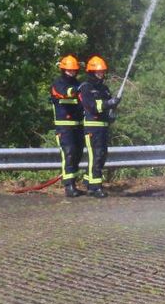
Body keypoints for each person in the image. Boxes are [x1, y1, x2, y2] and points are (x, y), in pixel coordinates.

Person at [77, 55, 120, 198]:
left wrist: (111, 113)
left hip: (103, 126)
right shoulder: (85, 88)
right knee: (95, 156)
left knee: (101, 156)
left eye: (102, 72)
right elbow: (92, 106)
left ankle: (89, 183)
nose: (101, 75)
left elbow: (107, 106)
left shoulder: (105, 89)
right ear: (91, 72)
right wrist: (109, 103)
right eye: (98, 72)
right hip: (91, 127)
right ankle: (95, 187)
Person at [50, 54, 85, 198]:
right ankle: (69, 185)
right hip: (64, 126)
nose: (71, 72)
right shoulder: (58, 84)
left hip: (78, 125)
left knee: (77, 154)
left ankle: (74, 182)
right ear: (63, 70)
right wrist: (77, 90)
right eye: (68, 70)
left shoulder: (78, 84)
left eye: (74, 70)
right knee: (69, 153)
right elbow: (65, 93)